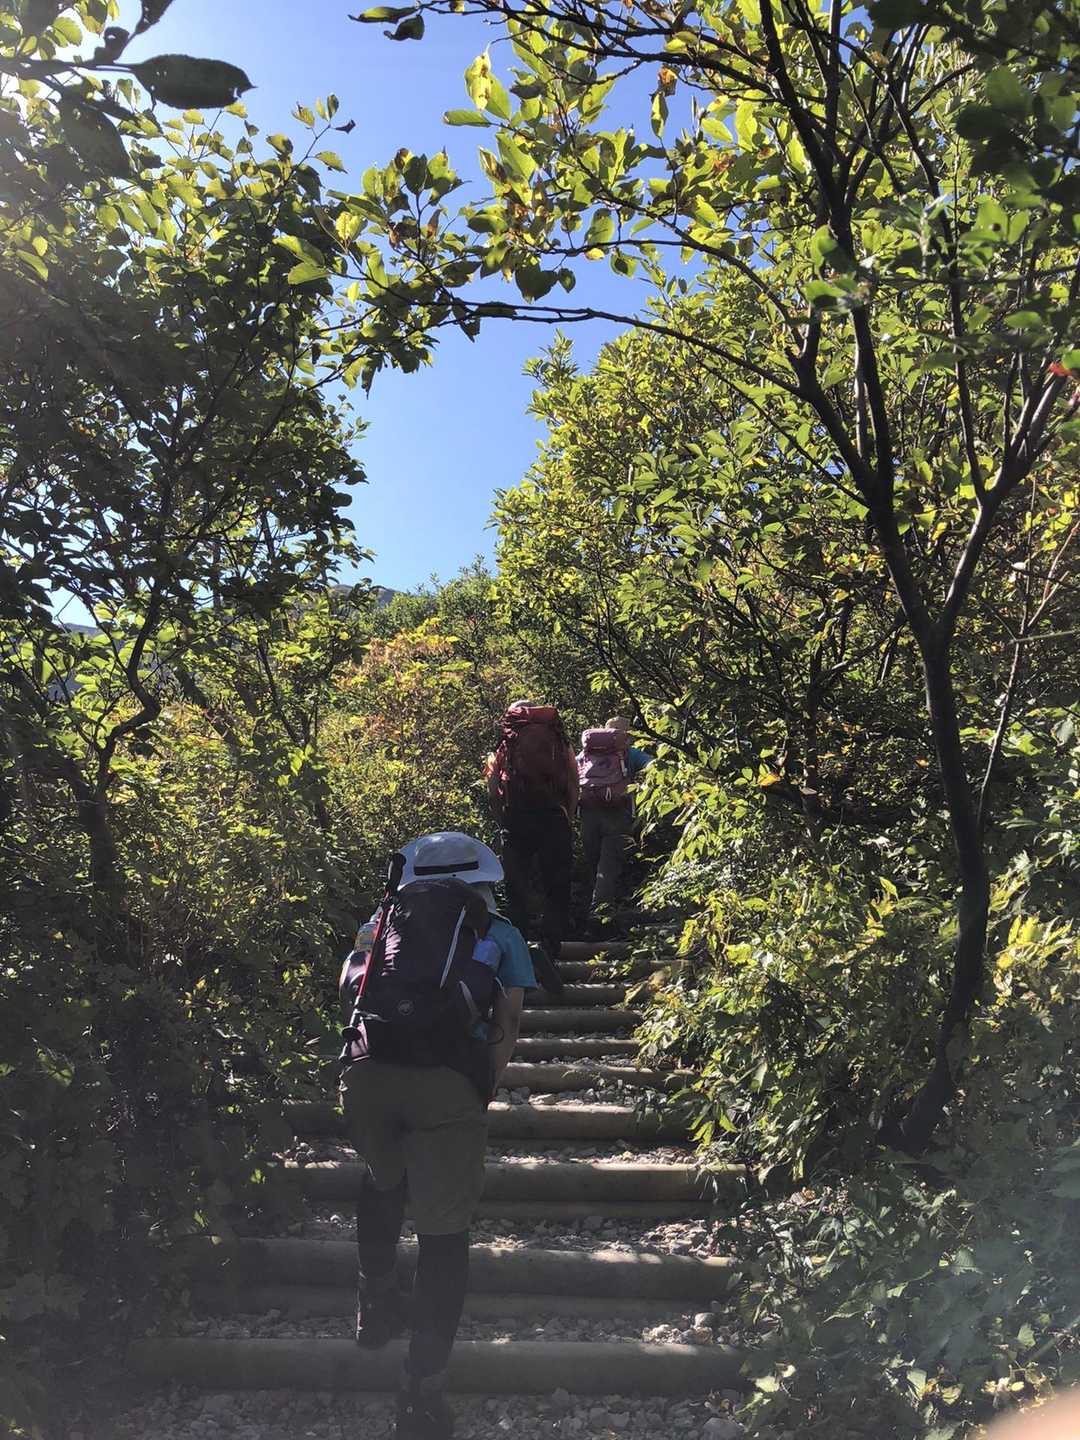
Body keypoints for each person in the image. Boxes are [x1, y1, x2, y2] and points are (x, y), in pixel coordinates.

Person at [339, 831, 536, 1440]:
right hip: (445, 1083)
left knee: (382, 1177)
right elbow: (507, 1019)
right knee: (443, 1236)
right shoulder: (498, 932)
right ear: (484, 878)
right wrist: (483, 1087)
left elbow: (351, 994)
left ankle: (374, 1303)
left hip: (366, 1073)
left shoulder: (382, 921)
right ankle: (421, 1393)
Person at [486, 699, 578, 995]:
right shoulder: (558, 741)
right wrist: (568, 817)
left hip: (516, 820)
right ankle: (549, 949)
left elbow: (493, 788)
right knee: (556, 886)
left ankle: (519, 952)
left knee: (516, 888)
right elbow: (573, 781)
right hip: (554, 818)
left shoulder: (506, 743)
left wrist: (502, 820)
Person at [577, 715, 653, 934]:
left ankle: (589, 908)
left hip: (588, 814)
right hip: (617, 815)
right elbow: (653, 767)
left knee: (595, 863)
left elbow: (571, 772)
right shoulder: (629, 752)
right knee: (608, 866)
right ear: (626, 735)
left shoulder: (587, 753)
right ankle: (598, 917)